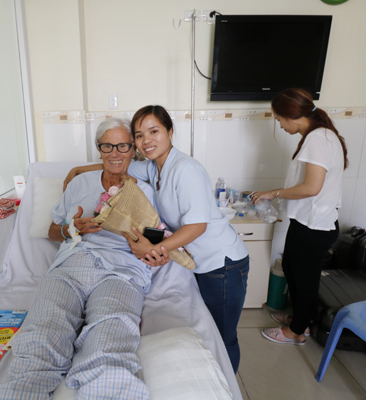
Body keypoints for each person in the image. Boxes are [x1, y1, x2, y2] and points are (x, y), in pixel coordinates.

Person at [64, 105, 249, 373]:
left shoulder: (186, 169)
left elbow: (197, 226)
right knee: (210, 335)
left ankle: (227, 386)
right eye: (139, 135)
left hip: (222, 263)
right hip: (196, 260)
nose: (146, 140)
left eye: (154, 131)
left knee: (223, 336)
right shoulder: (154, 168)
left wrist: (154, 248)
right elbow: (119, 162)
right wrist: (78, 170)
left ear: (170, 132)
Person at [0, 118, 151, 400]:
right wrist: (72, 228)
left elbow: (155, 242)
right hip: (72, 264)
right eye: (108, 146)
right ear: (99, 148)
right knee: (42, 333)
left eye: (123, 146)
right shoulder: (79, 183)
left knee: (111, 338)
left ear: (133, 150)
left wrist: (131, 235)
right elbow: (52, 231)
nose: (115, 153)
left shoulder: (145, 190)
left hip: (121, 269)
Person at [252, 88, 348, 345]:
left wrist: (273, 193)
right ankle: (299, 320)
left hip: (315, 226)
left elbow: (311, 187)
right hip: (307, 222)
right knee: (293, 271)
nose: (280, 125)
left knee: (304, 280)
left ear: (291, 115)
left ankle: (297, 332)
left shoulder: (319, 138)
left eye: (279, 119)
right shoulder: (319, 136)